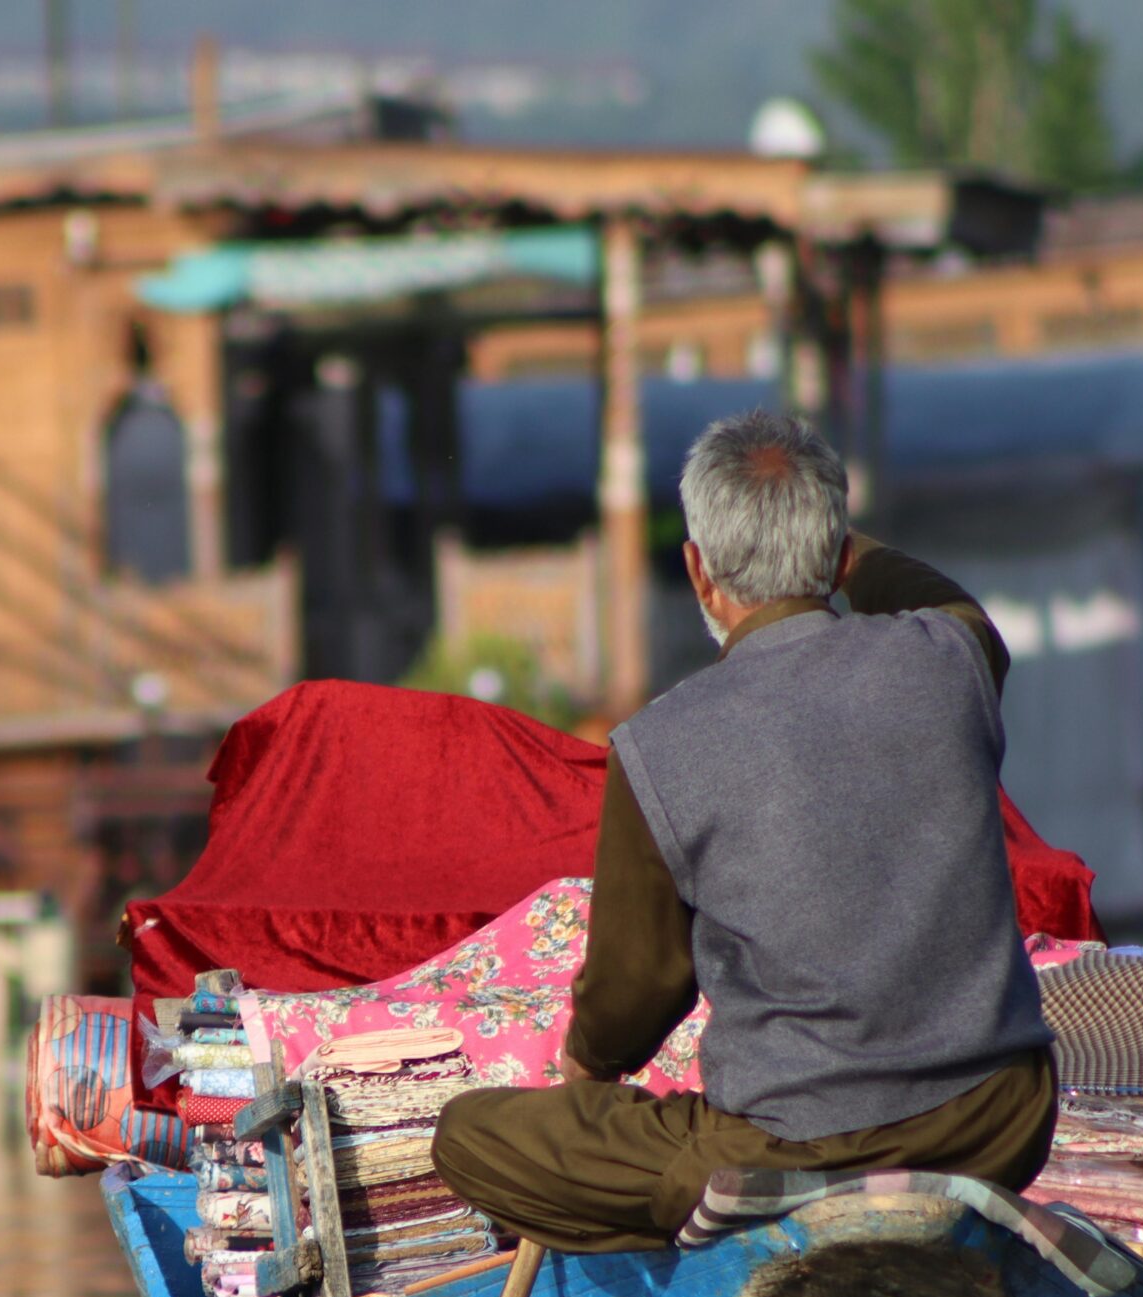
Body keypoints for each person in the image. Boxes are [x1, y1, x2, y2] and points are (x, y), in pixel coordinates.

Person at [432, 410, 1056, 1252]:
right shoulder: (949, 657)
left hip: (795, 1144)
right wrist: (831, 538)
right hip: (997, 1122)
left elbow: (636, 994)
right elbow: (940, 594)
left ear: (699, 573)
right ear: (839, 559)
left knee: (470, 1136)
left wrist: (584, 1072)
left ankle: (741, 1224)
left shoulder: (657, 743)